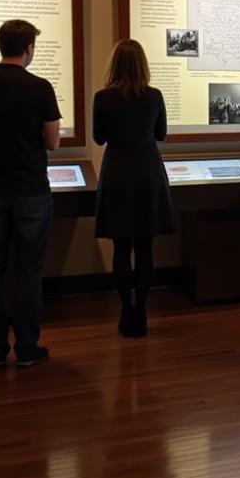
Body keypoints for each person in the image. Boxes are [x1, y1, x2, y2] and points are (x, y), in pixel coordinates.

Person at [0, 20, 59, 368]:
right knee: (29, 270)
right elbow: (53, 141)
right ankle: (28, 348)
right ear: (29, 48)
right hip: (31, 190)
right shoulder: (40, 87)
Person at [93, 39, 174, 338]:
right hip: (148, 173)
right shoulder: (154, 97)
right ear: (143, 65)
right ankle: (142, 312)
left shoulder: (102, 98)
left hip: (117, 173)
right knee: (145, 247)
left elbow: (99, 138)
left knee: (121, 247)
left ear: (113, 65)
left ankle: (126, 310)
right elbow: (161, 134)